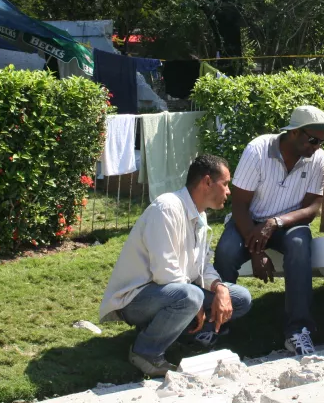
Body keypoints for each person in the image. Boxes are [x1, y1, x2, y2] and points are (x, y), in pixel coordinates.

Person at [99, 154, 252, 377]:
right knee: (191, 297)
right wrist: (197, 304)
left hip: (174, 293)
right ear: (207, 182)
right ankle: (144, 352)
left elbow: (202, 266)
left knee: (239, 298)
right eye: (225, 184)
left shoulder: (200, 215)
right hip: (134, 299)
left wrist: (219, 288)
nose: (228, 191)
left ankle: (185, 336)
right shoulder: (167, 208)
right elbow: (165, 271)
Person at [213, 105, 324, 356]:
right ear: (294, 133)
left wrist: (275, 223)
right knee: (225, 252)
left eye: (322, 141)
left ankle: (298, 330)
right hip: (248, 220)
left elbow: (313, 208)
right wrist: (257, 251)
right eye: (312, 140)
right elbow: (239, 205)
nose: (317, 147)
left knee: (300, 245)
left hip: (288, 224)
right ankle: (219, 323)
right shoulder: (258, 150)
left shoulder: (318, 158)